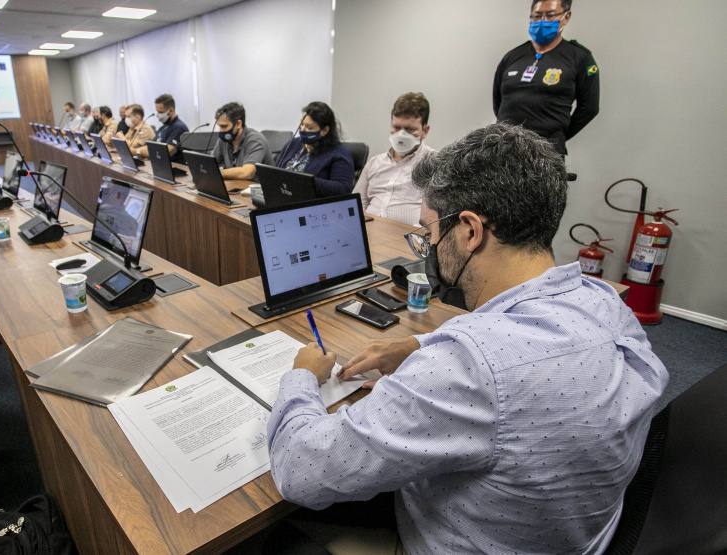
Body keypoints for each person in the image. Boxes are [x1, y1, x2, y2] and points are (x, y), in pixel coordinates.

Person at [267, 122, 668, 554]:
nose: (428, 246)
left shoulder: (469, 369)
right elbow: (507, 344)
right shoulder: (607, 304)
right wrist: (420, 346)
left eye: (429, 233)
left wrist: (302, 378)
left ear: (470, 231)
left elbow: (300, 470)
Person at [493, 0, 599, 155]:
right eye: (536, 16)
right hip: (504, 149)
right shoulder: (512, 56)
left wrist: (556, 135)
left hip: (547, 151)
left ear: (566, 17)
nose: (542, 21)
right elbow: (498, 101)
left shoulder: (580, 58)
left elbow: (589, 108)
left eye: (550, 15)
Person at [354, 92, 436, 225]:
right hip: (369, 232)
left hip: (409, 238)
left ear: (424, 131)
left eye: (410, 129)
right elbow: (358, 202)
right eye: (397, 127)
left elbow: (439, 215)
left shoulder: (435, 164)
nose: (401, 135)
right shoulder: (375, 162)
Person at [275, 101, 354, 196]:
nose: (302, 129)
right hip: (282, 197)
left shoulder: (338, 153)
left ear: (324, 130)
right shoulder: (293, 144)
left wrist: (304, 181)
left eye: (309, 127)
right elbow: (275, 172)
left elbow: (343, 189)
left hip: (311, 204)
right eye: (302, 124)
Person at [211, 101, 273, 181]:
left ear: (238, 124)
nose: (221, 130)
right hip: (236, 188)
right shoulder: (224, 140)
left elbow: (247, 173)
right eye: (219, 126)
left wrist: (216, 173)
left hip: (258, 191)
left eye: (224, 126)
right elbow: (211, 165)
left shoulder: (255, 140)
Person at [137, 94, 189, 163]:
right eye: (157, 112)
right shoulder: (163, 127)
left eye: (160, 112)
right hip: (161, 165)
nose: (158, 115)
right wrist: (135, 151)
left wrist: (136, 152)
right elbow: (150, 147)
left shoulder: (179, 128)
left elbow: (164, 153)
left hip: (174, 168)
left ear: (170, 111)